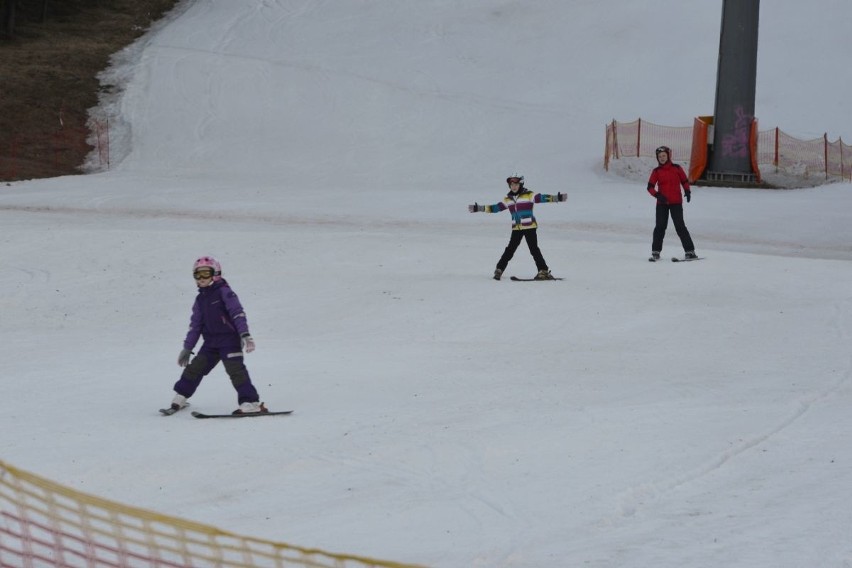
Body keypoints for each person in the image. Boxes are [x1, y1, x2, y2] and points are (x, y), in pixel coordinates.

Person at [167, 256, 267, 415]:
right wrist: (187, 348)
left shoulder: (224, 292)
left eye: (205, 273)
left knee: (236, 371)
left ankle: (251, 402)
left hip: (229, 340)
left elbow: (237, 313)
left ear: (216, 274)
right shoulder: (200, 299)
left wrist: (245, 334)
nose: (201, 278)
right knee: (195, 368)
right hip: (211, 343)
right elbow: (195, 326)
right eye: (197, 274)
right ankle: (181, 396)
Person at [469, 173, 567, 280]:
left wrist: (556, 198)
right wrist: (479, 208)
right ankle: (499, 269)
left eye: (516, 184)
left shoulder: (529, 195)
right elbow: (496, 208)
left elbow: (541, 198)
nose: (514, 186)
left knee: (534, 249)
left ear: (520, 184)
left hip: (530, 227)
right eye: (512, 185)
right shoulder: (508, 199)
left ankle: (543, 271)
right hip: (517, 228)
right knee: (510, 249)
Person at [646, 146, 697, 261]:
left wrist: (687, 191)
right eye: (659, 157)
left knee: (680, 227)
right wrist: (658, 195)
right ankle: (655, 252)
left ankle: (690, 251)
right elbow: (650, 187)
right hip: (662, 204)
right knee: (660, 227)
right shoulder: (656, 171)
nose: (662, 158)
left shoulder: (677, 168)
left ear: (668, 155)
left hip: (676, 203)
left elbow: (684, 181)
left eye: (664, 156)